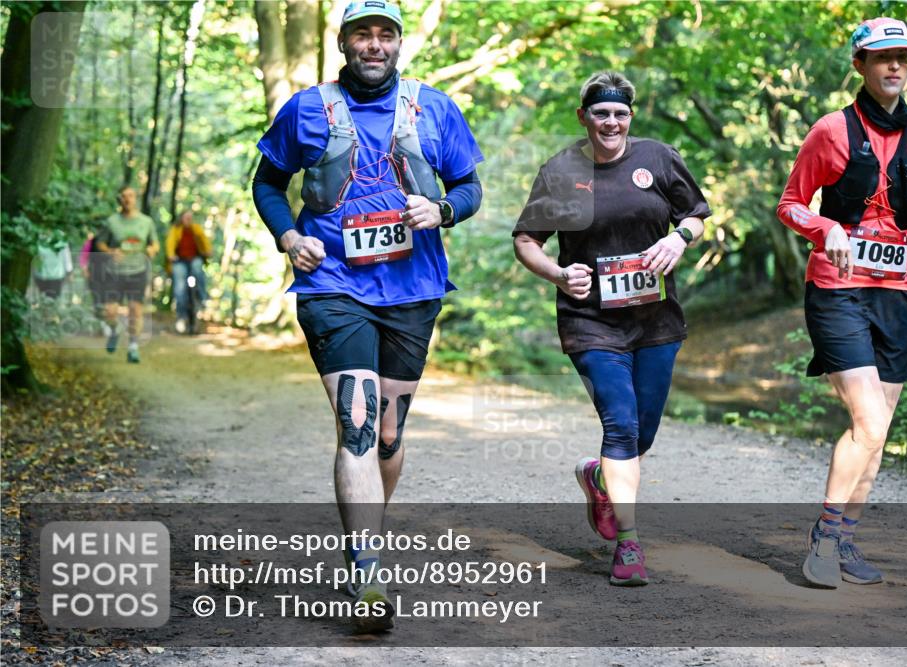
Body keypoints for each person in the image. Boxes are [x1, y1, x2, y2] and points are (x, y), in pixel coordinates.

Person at [252, 0, 483, 628]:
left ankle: (368, 539)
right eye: (363, 35)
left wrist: (445, 212)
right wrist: (288, 238)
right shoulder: (306, 109)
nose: (374, 45)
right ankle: (368, 576)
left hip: (413, 288)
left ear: (399, 44)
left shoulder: (434, 107)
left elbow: (469, 187)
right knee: (355, 422)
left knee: (387, 434)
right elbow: (267, 183)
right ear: (344, 43)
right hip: (331, 284)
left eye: (385, 35)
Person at [776, 18, 907, 589]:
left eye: (903, 57)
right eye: (883, 57)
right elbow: (790, 204)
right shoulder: (830, 132)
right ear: (859, 65)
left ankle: (846, 540)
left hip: (900, 293)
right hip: (838, 289)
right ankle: (827, 536)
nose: (895, 66)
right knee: (869, 420)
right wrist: (823, 228)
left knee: (878, 430)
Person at [513, 71, 710, 586]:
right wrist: (558, 273)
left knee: (640, 433)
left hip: (655, 320)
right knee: (620, 425)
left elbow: (696, 213)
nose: (611, 121)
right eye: (601, 112)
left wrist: (680, 239)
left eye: (620, 112)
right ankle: (629, 545)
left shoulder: (659, 159)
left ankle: (600, 475)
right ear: (584, 117)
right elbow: (527, 240)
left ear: (631, 117)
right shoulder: (560, 172)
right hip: (590, 319)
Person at [94, 185, 159, 364]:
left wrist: (152, 250)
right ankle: (114, 331)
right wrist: (110, 252)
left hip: (137, 272)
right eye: (124, 196)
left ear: (135, 198)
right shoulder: (111, 222)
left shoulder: (146, 222)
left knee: (135, 311)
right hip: (114, 273)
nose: (127, 199)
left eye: (130, 195)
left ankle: (133, 347)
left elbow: (155, 244)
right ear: (120, 200)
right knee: (110, 312)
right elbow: (100, 244)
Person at [165, 210, 212, 333]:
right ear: (181, 218)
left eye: (190, 218)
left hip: (194, 259)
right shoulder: (175, 230)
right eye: (186, 217)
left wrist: (208, 251)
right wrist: (171, 255)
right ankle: (181, 316)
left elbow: (204, 241)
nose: (188, 220)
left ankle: (203, 298)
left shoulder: (196, 229)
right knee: (180, 287)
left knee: (198, 269)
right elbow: (170, 244)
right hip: (179, 261)